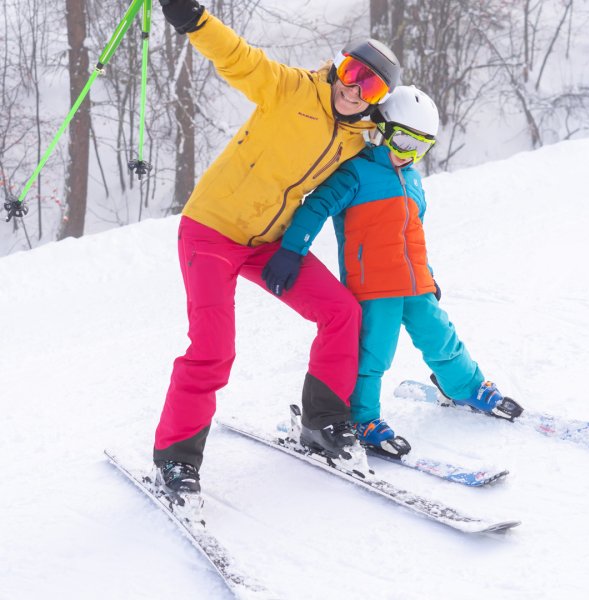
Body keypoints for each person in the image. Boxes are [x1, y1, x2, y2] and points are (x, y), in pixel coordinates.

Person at [154, 0, 402, 493]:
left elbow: (408, 129)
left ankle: (322, 423)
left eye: (370, 85)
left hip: (270, 242)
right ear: (337, 66)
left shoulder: (359, 137)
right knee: (213, 349)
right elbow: (239, 57)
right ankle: (176, 459)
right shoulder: (290, 89)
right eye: (351, 72)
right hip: (212, 230)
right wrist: (193, 20)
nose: (354, 90)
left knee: (342, 314)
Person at [264, 85, 523, 458]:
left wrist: (428, 276)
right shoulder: (354, 173)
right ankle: (363, 418)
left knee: (441, 337)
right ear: (380, 129)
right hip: (373, 287)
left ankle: (463, 385)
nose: (410, 155)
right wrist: (291, 251)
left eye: (421, 148)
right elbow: (315, 207)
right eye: (403, 141)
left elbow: (412, 236)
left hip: (415, 283)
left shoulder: (414, 181)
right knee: (373, 354)